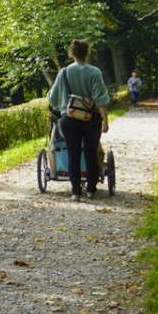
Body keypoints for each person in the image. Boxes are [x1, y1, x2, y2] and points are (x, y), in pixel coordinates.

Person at [48, 39, 110, 201]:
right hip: (91, 120)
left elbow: (53, 99)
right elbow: (101, 99)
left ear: (72, 53)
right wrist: (105, 122)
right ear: (87, 53)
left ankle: (75, 191)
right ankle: (91, 189)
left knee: (73, 154)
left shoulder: (64, 73)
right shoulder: (94, 72)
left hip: (69, 120)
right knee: (90, 153)